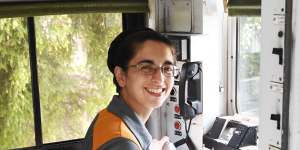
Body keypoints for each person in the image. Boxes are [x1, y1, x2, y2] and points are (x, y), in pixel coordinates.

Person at [85, 28, 179, 150]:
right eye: (146, 67)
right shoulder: (122, 143)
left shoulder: (108, 116)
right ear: (121, 76)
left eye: (167, 68)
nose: (160, 79)